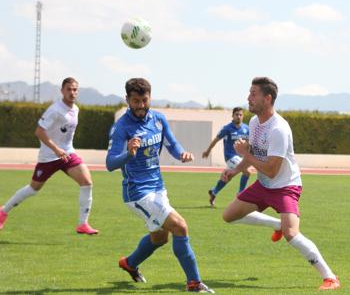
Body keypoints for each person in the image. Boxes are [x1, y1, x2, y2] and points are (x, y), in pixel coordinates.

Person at [221, 77, 340, 291]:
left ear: (267, 99)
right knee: (228, 215)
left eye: (253, 94)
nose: (248, 98)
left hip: (286, 186)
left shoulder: (279, 130)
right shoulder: (256, 123)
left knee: (291, 234)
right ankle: (276, 224)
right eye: (249, 93)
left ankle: (330, 277)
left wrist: (245, 153)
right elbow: (254, 154)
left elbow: (271, 169)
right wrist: (234, 170)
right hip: (264, 185)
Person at [106, 78, 214, 293]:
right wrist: (128, 153)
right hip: (137, 193)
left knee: (160, 237)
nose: (140, 105)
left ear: (150, 98)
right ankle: (194, 283)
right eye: (135, 101)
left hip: (157, 188)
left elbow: (172, 144)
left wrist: (181, 154)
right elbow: (110, 163)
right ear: (127, 99)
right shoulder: (121, 127)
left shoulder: (158, 119)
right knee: (180, 226)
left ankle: (129, 263)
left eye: (144, 100)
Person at [0, 77, 98, 235]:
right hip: (49, 157)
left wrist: (64, 150)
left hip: (67, 154)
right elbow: (39, 131)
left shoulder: (76, 109)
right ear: (62, 91)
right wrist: (56, 149)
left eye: (75, 90)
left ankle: (83, 224)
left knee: (87, 182)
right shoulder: (55, 109)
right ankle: (3, 212)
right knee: (33, 189)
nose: (72, 92)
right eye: (69, 89)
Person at [202, 107, 250, 207]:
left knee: (227, 177)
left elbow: (250, 143)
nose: (238, 116)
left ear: (243, 116)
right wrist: (207, 151)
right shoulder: (227, 128)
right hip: (230, 156)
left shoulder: (246, 128)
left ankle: (213, 192)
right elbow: (216, 139)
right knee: (247, 171)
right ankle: (241, 194)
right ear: (232, 116)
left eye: (240, 115)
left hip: (241, 157)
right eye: (236, 114)